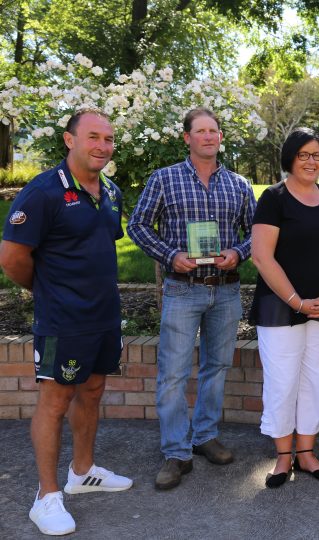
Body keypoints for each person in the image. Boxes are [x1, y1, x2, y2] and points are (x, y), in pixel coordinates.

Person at [0, 108, 132, 536]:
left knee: (93, 390)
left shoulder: (109, 190)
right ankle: (47, 496)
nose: (102, 146)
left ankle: (83, 471)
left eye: (108, 139)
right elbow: (13, 260)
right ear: (69, 140)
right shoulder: (43, 192)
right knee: (55, 402)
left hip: (103, 317)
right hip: (62, 320)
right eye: (93, 136)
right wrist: (48, 292)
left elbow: (98, 246)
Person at [127, 108, 256, 490]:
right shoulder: (164, 179)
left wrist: (239, 252)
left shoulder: (239, 184)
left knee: (216, 367)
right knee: (173, 373)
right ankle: (176, 452)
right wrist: (170, 256)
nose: (208, 136)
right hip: (182, 290)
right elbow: (137, 225)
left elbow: (258, 231)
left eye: (213, 130)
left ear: (220, 137)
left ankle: (204, 437)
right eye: (200, 131)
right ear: (187, 138)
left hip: (226, 287)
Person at [250, 127, 319, 488]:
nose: (312, 161)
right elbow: (261, 257)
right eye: (304, 155)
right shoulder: (273, 199)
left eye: (317, 155)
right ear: (290, 159)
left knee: (314, 380)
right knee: (282, 383)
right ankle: (282, 458)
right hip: (281, 308)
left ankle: (307, 454)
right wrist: (297, 301)